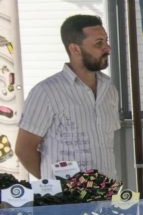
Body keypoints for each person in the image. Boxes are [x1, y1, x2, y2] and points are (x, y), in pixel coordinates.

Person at [16, 14, 119, 180]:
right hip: (66, 202)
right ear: (75, 49)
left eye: (106, 41)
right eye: (99, 43)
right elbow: (24, 149)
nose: (107, 48)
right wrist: (57, 187)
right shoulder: (46, 92)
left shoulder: (110, 90)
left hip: (106, 198)